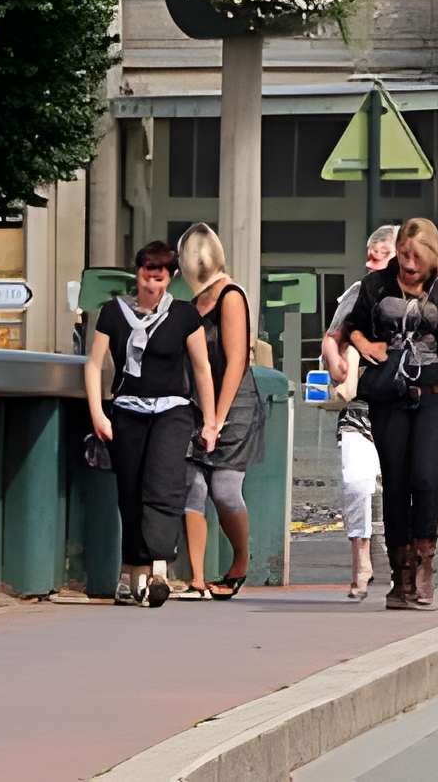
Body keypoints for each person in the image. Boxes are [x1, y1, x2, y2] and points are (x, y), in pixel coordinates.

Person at [342, 217, 438, 609]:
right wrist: (368, 347)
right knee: (396, 483)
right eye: (403, 254)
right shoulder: (376, 285)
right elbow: (352, 327)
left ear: (432, 255)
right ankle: (401, 575)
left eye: (416, 256)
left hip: (436, 395)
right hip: (388, 397)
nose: (408, 263)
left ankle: (425, 565)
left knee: (425, 478)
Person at [85, 242, 210, 608]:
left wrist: (212, 420)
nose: (151, 286)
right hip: (127, 409)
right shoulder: (113, 312)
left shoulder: (185, 315)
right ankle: (131, 574)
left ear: (169, 279)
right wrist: (98, 412)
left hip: (172, 410)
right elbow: (94, 365)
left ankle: (158, 570)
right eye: (145, 277)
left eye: (158, 279)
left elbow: (201, 368)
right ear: (136, 274)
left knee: (164, 484)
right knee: (130, 490)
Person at [178, 224, 262, 600]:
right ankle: (196, 577)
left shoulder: (231, 296)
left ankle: (240, 561)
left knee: (225, 491)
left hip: (234, 403)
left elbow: (236, 362)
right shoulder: (192, 305)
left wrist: (218, 418)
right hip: (197, 403)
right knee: (192, 486)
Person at [319, 225, 398, 600]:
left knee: (403, 490)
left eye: (380, 254)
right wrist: (336, 363)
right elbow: (330, 338)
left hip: (400, 407)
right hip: (359, 408)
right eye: (370, 253)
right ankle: (361, 562)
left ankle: (404, 565)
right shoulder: (357, 294)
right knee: (357, 483)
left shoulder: (419, 296)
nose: (372, 261)